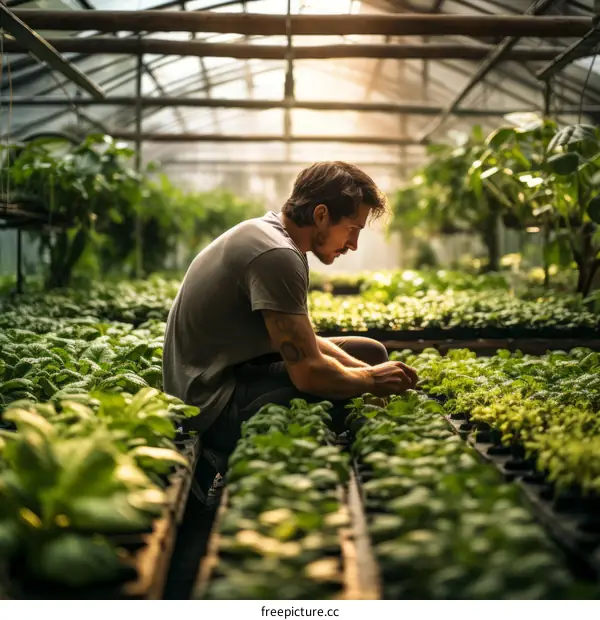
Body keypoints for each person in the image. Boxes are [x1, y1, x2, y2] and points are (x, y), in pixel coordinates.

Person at [162, 161, 419, 499]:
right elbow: (309, 374)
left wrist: (369, 369)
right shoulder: (277, 255)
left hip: (233, 375)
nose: (354, 244)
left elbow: (305, 343)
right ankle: (217, 452)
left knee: (370, 353)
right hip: (209, 404)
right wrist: (370, 381)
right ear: (322, 215)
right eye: (353, 228)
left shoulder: (270, 233)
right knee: (350, 399)